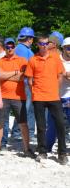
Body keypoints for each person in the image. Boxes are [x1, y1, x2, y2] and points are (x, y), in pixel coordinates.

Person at [25, 35, 68, 164]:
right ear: (37, 45)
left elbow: (60, 75)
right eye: (41, 44)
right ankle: (42, 152)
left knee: (60, 124)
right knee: (41, 126)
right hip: (39, 97)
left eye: (45, 44)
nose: (43, 46)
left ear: (48, 44)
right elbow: (30, 80)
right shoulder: (33, 60)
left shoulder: (55, 59)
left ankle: (62, 153)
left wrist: (55, 88)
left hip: (54, 96)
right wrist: (36, 91)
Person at [0, 39, 33, 160]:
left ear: (15, 47)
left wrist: (6, 75)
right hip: (3, 96)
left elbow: (23, 77)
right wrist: (15, 73)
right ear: (5, 47)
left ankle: (27, 148)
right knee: (0, 123)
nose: (10, 48)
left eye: (11, 46)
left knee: (23, 123)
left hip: (19, 96)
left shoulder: (22, 61)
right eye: (7, 46)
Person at [46, 37, 70, 150]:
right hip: (55, 96)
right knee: (52, 124)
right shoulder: (56, 59)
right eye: (69, 48)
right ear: (64, 48)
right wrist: (63, 74)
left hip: (69, 95)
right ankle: (47, 147)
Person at [15, 27, 36, 140]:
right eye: (32, 38)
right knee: (26, 108)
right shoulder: (22, 49)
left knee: (27, 108)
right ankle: (18, 132)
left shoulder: (22, 48)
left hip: (27, 82)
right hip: (26, 82)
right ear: (29, 38)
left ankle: (28, 132)